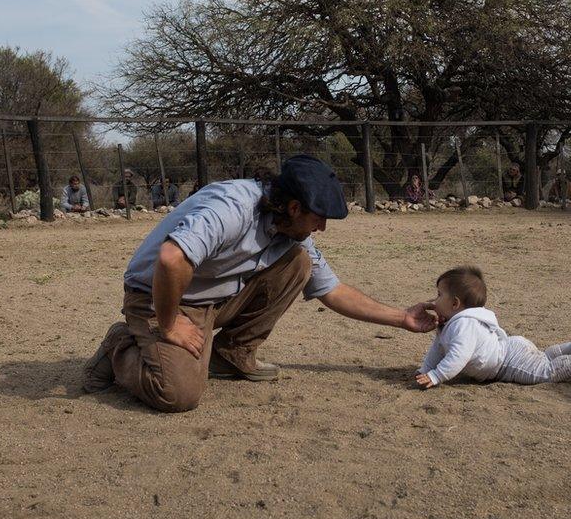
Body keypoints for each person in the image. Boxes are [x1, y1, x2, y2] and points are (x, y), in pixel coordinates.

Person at [83, 155, 437, 412]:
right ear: (295, 208)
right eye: (320, 219)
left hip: (212, 300)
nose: (322, 228)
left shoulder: (290, 232)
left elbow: (333, 290)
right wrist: (171, 321)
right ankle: (121, 345)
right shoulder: (232, 208)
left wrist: (402, 318)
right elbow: (171, 260)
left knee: (298, 264)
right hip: (160, 297)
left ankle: (231, 354)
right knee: (177, 395)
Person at [415, 266, 571, 388]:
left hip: (505, 363)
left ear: (455, 304)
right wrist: (425, 369)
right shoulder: (450, 324)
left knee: (547, 371)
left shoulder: (463, 326)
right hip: (512, 348)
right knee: (544, 356)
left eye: (439, 295)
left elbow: (458, 355)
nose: (434, 300)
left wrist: (436, 376)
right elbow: (438, 349)